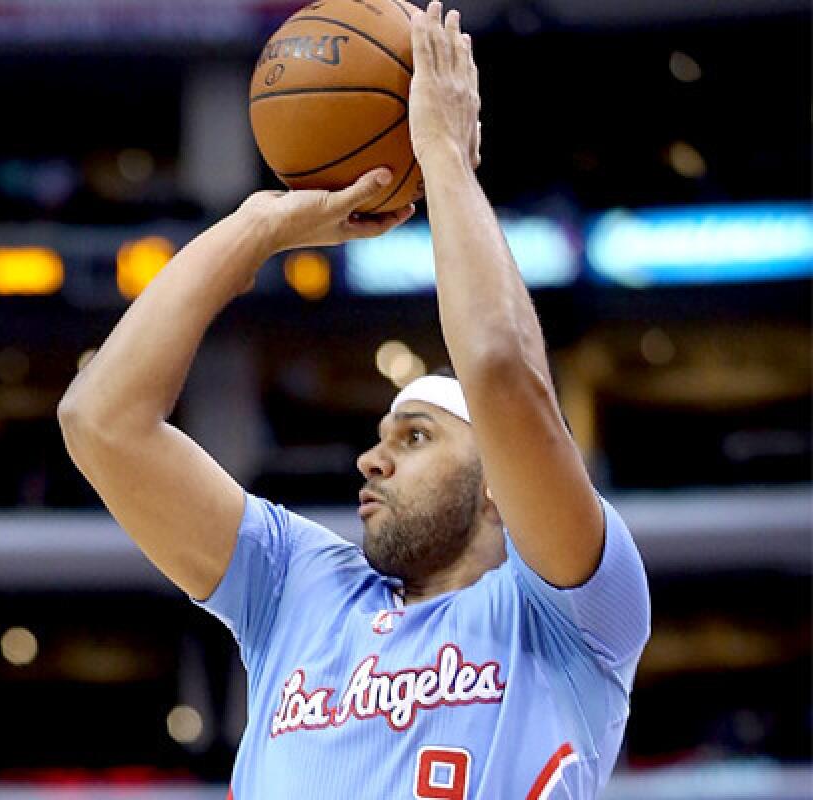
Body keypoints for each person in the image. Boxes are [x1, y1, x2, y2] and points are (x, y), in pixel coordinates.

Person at [58, 2, 650, 796]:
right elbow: (100, 422)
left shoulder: (570, 617)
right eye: (383, 435)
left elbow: (503, 369)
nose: (371, 458)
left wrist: (442, 155)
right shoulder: (297, 587)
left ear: (499, 487)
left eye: (415, 437)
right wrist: (256, 227)